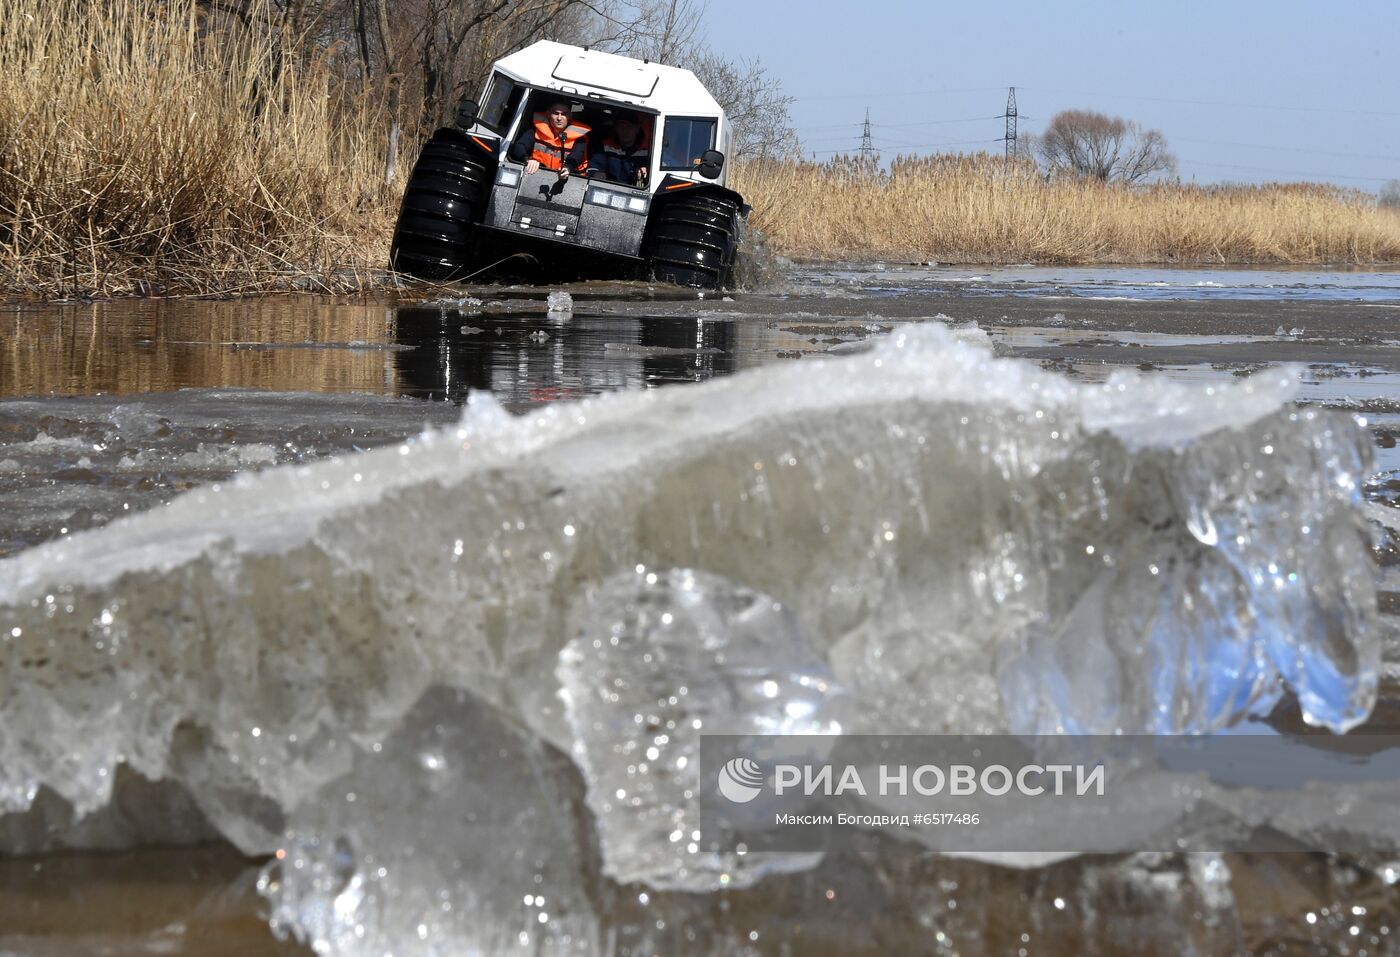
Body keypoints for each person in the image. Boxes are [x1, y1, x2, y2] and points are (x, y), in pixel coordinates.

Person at [509, 101, 591, 179]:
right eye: (556, 113)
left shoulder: (579, 138)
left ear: (569, 116)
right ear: (548, 114)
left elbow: (576, 156)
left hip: (568, 177)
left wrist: (568, 168)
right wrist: (527, 160)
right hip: (535, 172)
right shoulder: (535, 130)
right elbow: (519, 146)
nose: (559, 118)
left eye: (564, 114)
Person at [590, 112, 651, 186]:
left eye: (629, 127)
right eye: (621, 127)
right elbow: (595, 165)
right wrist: (596, 172)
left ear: (637, 129)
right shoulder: (606, 146)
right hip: (609, 187)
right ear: (616, 129)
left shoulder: (648, 150)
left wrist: (647, 172)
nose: (624, 131)